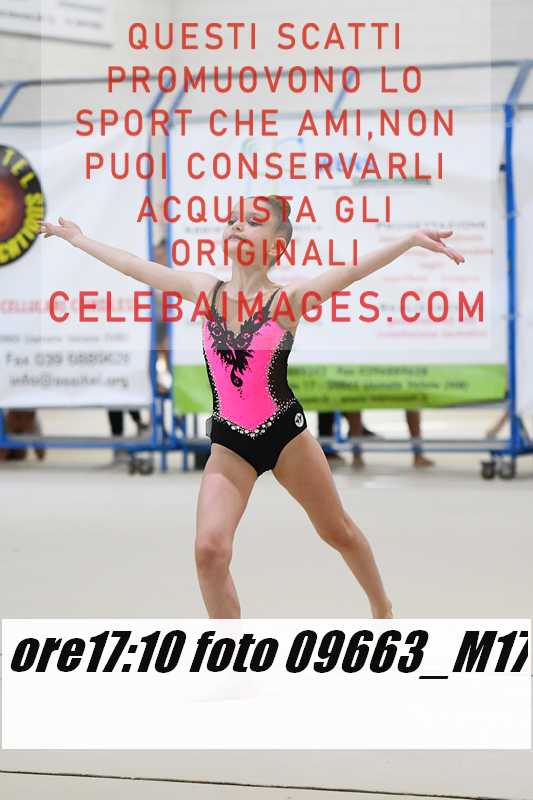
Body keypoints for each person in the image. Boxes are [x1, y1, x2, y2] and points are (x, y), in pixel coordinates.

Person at [38, 198, 464, 619]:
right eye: (232, 220)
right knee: (209, 551)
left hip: (285, 435)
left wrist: (409, 240)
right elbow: (134, 265)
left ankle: (382, 607)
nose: (237, 226)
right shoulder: (206, 292)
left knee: (338, 531)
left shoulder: (287, 301)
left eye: (253, 222)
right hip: (230, 444)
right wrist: (79, 240)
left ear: (277, 245)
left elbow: (351, 272)